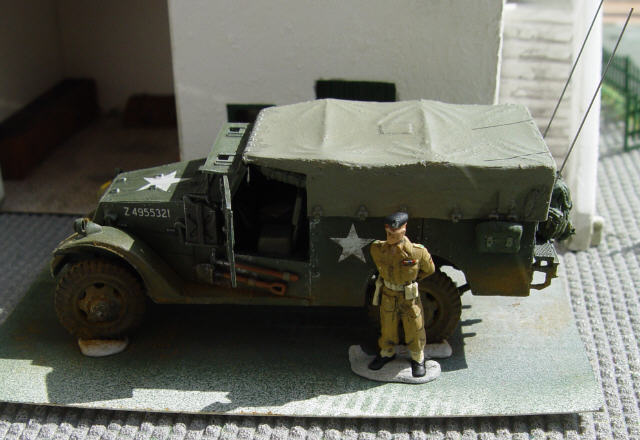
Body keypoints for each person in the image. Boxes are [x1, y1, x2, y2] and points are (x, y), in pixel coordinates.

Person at [368, 211, 435, 377]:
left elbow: (429, 269)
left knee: (414, 326)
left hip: (408, 296)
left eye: (394, 233)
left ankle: (417, 357)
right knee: (388, 326)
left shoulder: (417, 252)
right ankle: (386, 352)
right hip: (388, 293)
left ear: (403, 230)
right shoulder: (377, 249)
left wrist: (412, 281)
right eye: (388, 233)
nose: (390, 237)